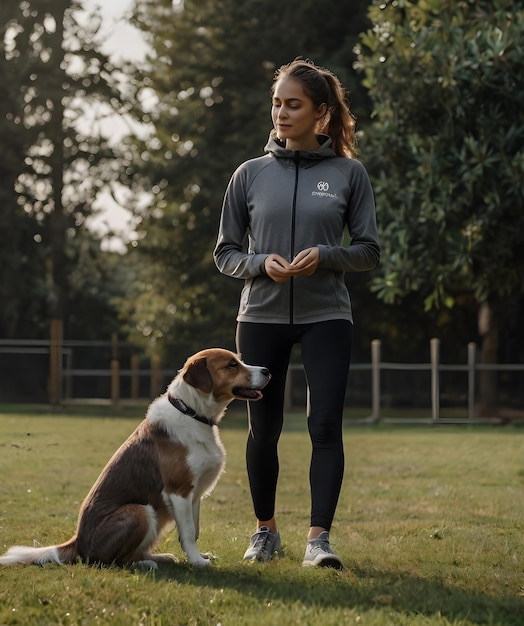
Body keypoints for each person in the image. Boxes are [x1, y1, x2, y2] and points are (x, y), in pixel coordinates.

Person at [213, 58, 380, 569]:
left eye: (294, 104)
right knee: (263, 429)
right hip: (260, 315)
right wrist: (262, 264)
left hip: (327, 315)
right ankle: (265, 531)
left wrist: (326, 256)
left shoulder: (349, 174)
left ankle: (318, 540)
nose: (281, 113)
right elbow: (225, 253)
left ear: (321, 114)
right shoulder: (249, 175)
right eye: (277, 103)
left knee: (325, 426)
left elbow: (369, 250)